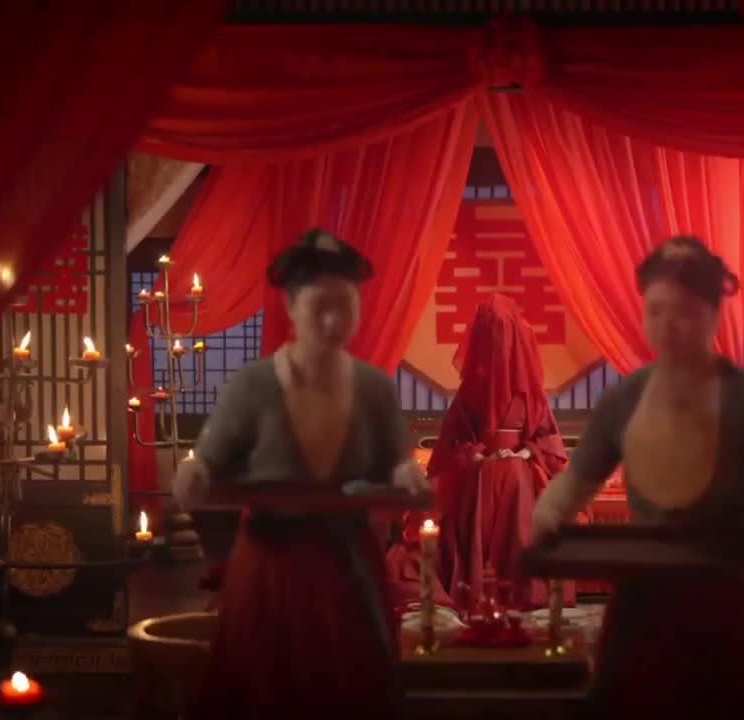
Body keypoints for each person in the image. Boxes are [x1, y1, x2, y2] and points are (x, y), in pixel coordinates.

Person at [532, 236, 744, 717]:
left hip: (732, 588)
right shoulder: (625, 398)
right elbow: (575, 483)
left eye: (684, 311)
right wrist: (548, 511)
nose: (668, 325)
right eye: (656, 311)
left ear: (714, 313)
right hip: (646, 592)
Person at [173, 229, 427, 718]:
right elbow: (209, 456)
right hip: (272, 564)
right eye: (320, 307)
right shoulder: (252, 385)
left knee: (351, 690)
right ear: (291, 307)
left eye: (345, 306)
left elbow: (397, 459)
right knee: (266, 689)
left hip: (347, 563)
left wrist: (406, 476)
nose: (334, 321)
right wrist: (194, 471)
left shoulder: (373, 386)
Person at [429, 294, 574, 610]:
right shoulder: (470, 392)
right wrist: (477, 455)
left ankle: (517, 589)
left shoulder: (529, 394)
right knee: (491, 477)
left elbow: (547, 439)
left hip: (518, 471)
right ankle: (481, 589)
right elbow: (451, 442)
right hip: (479, 471)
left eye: (503, 334)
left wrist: (525, 454)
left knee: (515, 478)